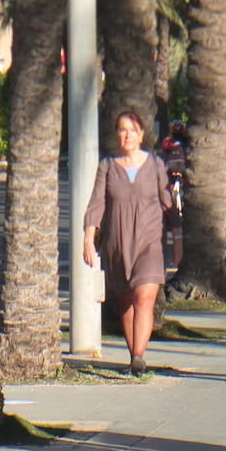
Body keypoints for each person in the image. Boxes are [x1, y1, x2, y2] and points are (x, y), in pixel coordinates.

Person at [84, 110, 173, 376]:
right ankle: (134, 357)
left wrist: (178, 239)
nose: (128, 135)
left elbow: (168, 203)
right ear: (116, 135)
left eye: (133, 130)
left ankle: (138, 356)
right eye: (122, 130)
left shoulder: (155, 165)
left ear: (141, 134)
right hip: (117, 243)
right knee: (126, 301)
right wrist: (88, 238)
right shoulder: (107, 166)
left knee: (144, 296)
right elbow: (97, 203)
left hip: (150, 242)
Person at [158, 120, 188, 268]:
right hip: (170, 178)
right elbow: (164, 156)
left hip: (181, 177)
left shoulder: (186, 143)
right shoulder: (168, 143)